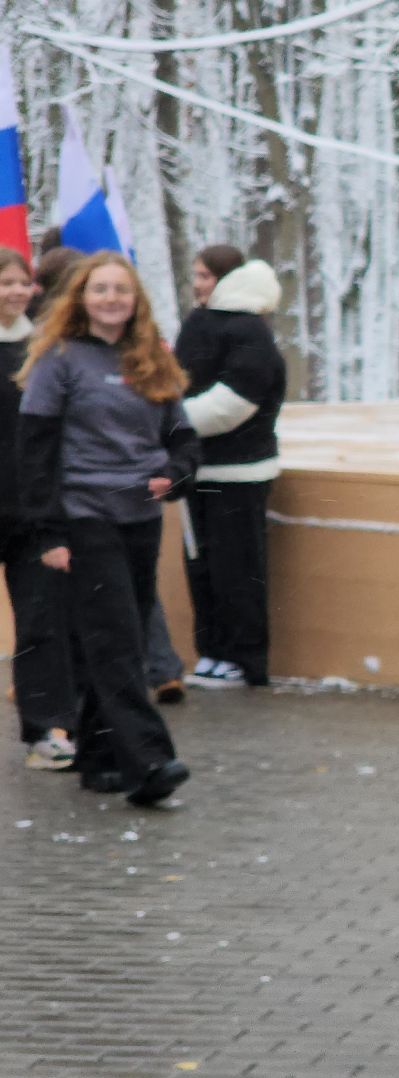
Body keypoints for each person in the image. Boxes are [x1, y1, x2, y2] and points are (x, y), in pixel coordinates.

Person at [18, 252, 199, 806]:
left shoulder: (152, 358)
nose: (111, 298)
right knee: (119, 639)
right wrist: (49, 534)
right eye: (100, 289)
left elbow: (183, 438)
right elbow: (35, 451)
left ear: (135, 300)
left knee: (115, 636)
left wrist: (175, 475)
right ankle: (148, 762)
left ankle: (99, 760)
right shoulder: (60, 359)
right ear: (81, 298)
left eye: (121, 289)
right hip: (83, 515)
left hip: (141, 518)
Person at [172, 245, 284, 689]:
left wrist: (169, 419)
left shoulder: (247, 330)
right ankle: (213, 651)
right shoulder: (205, 322)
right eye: (195, 275)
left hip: (239, 472)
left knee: (238, 569)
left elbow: (235, 401)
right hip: (198, 468)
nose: (197, 284)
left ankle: (244, 657)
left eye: (204, 276)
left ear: (228, 278)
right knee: (203, 567)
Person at [0, 249, 79, 771]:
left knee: (41, 625)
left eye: (21, 282)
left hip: (32, 512)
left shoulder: (46, 349)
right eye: (4, 282)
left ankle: (45, 731)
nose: (14, 291)